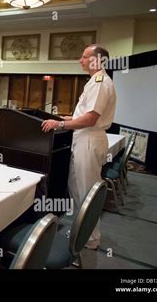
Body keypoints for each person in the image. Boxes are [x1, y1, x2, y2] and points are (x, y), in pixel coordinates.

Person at [41, 45, 116, 250]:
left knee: (87, 191)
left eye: (84, 57)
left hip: (89, 139)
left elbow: (91, 119)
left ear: (96, 60)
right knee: (76, 189)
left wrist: (61, 124)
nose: (80, 60)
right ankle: (80, 230)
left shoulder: (100, 82)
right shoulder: (93, 82)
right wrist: (68, 119)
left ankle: (90, 239)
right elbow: (84, 115)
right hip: (83, 138)